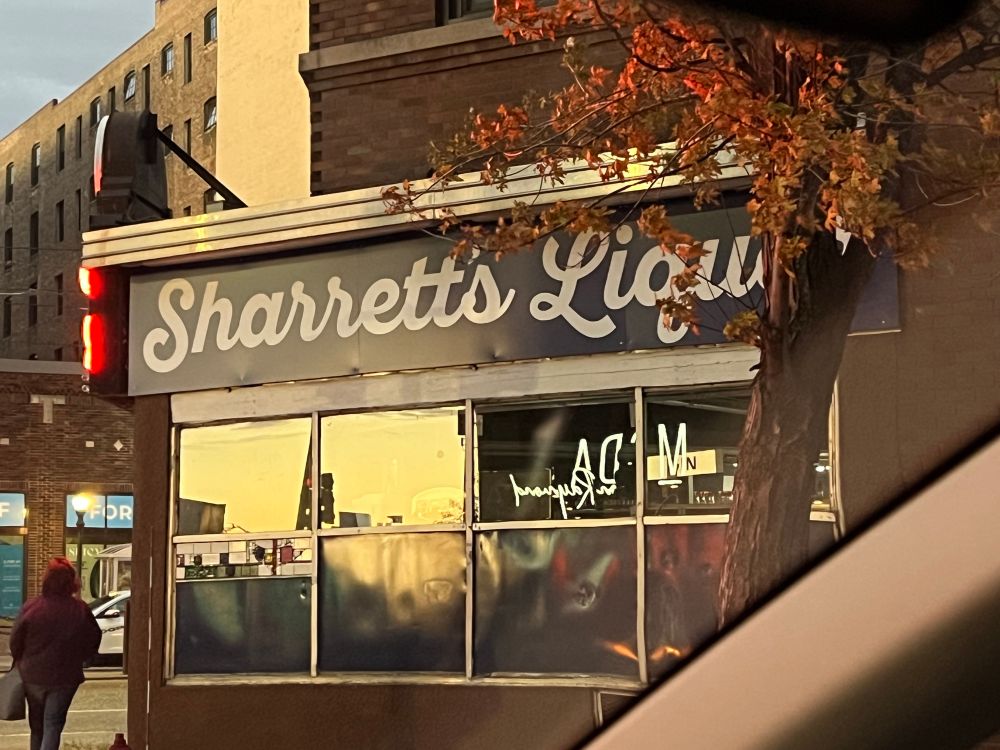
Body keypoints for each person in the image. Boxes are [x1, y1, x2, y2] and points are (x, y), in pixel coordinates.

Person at [9, 557, 102, 750]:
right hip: (65, 676)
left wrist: (21, 660)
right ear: (72, 582)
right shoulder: (79, 609)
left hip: (33, 675)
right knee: (53, 725)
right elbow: (94, 637)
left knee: (37, 727)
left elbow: (15, 639)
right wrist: (83, 658)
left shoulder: (31, 607)